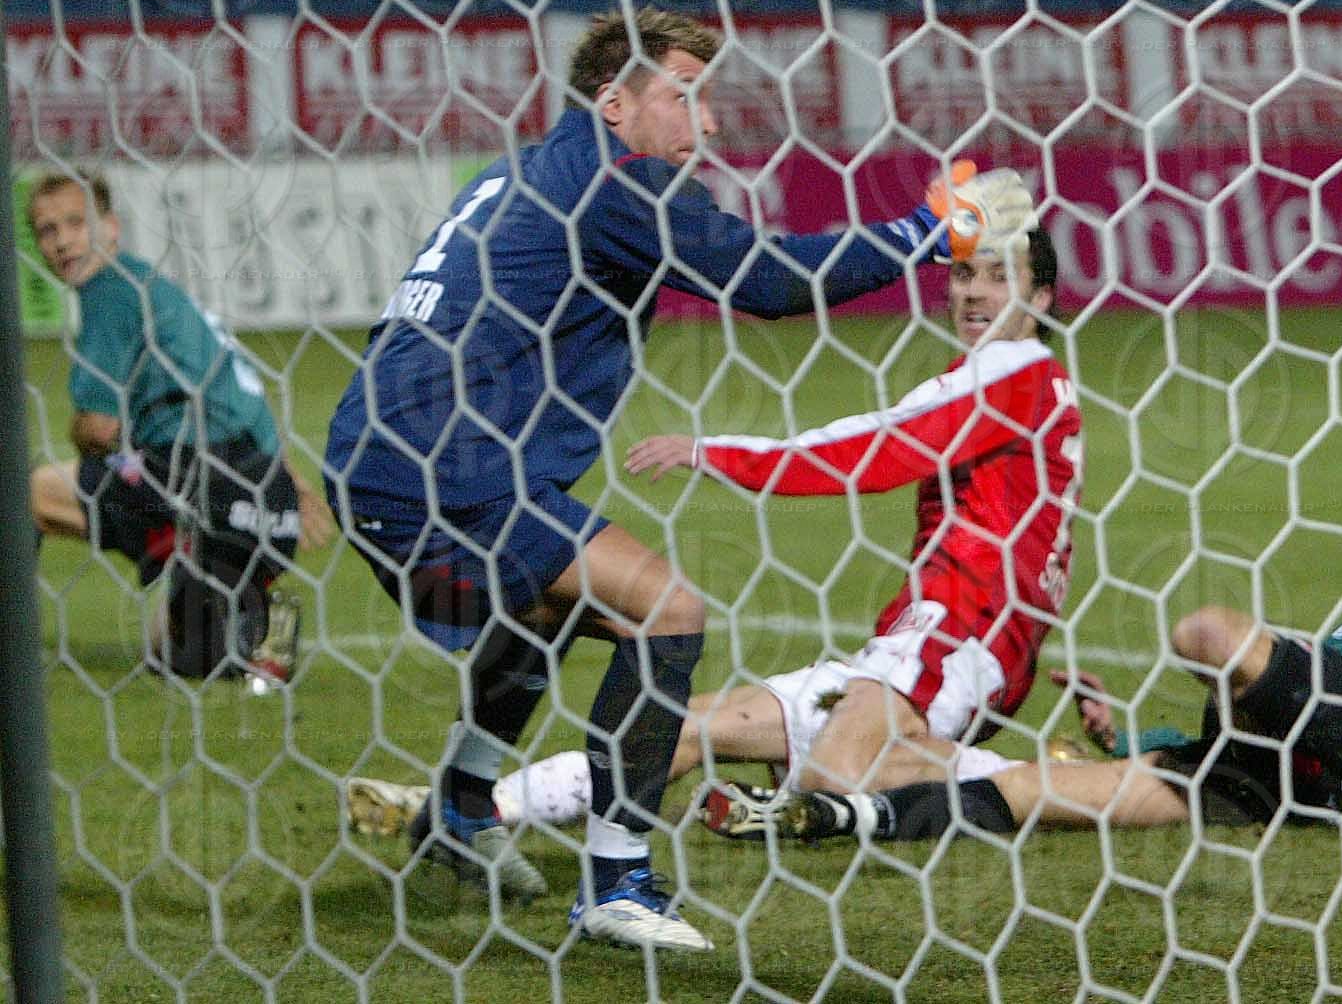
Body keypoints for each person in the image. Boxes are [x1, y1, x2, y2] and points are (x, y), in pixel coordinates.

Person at [323, 7, 1035, 953]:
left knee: (550, 617)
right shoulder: (618, 186)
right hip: (448, 465)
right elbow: (773, 281)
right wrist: (930, 229)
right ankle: (618, 883)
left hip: (374, 455)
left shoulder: (519, 172)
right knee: (668, 610)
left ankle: (459, 811)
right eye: (684, 98)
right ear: (615, 103)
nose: (704, 125)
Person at [345, 226, 1089, 840]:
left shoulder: (1012, 373)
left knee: (834, 777)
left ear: (1042, 297)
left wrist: (714, 452)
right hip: (933, 634)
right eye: (963, 273)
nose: (971, 292)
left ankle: (1066, 788)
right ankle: (470, 814)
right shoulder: (1020, 382)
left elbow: (872, 450)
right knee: (684, 726)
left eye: (998, 276)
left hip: (963, 632)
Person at [716, 471, 1342, 845]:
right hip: (1252, 774)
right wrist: (1125, 732)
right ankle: (847, 817)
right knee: (1038, 790)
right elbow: (1265, 707)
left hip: (1336, 745)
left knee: (1207, 629)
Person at [26, 172, 333, 685]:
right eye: (46, 230)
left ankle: (12, 646)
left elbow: (99, 429)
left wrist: (91, 436)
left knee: (25, 494)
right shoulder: (155, 287)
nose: (61, 241)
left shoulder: (109, 292)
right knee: (171, 654)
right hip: (262, 496)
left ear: (111, 227)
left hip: (195, 480)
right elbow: (241, 391)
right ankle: (255, 622)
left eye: (75, 223)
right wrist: (285, 482)